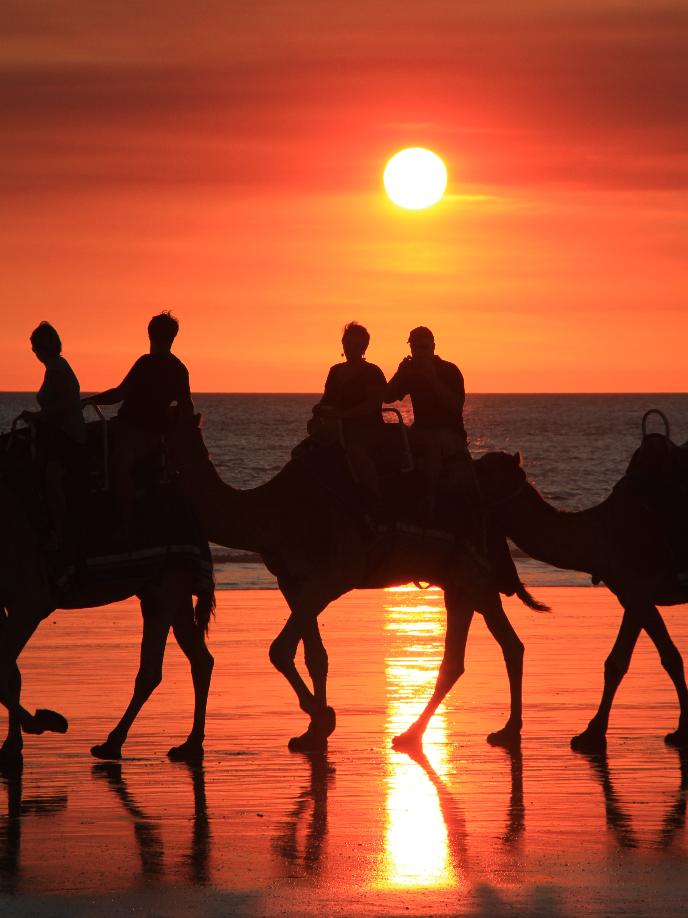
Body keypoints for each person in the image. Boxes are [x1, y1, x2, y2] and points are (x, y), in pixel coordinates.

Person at [84, 311, 194, 529]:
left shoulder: (146, 363)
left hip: (135, 432)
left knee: (114, 462)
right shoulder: (179, 368)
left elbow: (119, 394)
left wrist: (86, 401)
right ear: (173, 338)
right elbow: (186, 406)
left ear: (149, 334)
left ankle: (125, 521)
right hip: (148, 432)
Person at [384, 326, 469, 513]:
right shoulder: (411, 371)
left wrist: (433, 381)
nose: (420, 351)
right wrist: (399, 374)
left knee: (432, 442)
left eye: (424, 347)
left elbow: (455, 406)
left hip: (449, 432)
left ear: (433, 346)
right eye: (415, 347)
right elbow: (387, 397)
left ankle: (431, 499)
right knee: (390, 437)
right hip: (420, 429)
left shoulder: (449, 370)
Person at [21, 322, 86, 547]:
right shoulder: (57, 366)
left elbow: (66, 404)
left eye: (34, 346)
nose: (33, 351)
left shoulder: (57, 368)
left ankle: (58, 531)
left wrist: (39, 416)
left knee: (52, 478)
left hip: (66, 437)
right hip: (60, 433)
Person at [312, 322, 387, 500]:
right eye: (348, 344)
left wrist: (345, 415)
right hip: (338, 427)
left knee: (355, 451)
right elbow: (327, 398)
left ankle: (375, 497)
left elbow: (373, 404)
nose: (351, 349)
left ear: (364, 347)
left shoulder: (372, 372)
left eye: (357, 345)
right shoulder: (335, 370)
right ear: (343, 344)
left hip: (367, 428)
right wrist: (320, 408)